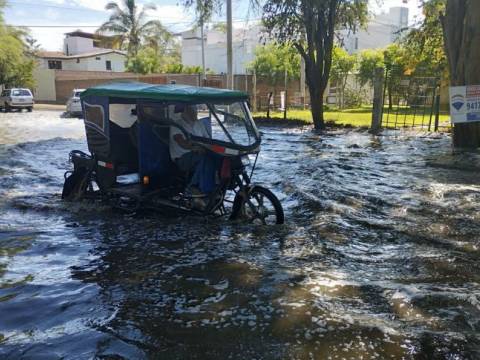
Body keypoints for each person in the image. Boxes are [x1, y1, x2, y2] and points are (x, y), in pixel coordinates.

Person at [169, 104, 211, 192]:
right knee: (205, 159)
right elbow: (181, 142)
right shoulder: (177, 125)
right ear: (185, 111)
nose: (195, 112)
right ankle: (193, 187)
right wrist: (195, 148)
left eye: (195, 110)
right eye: (193, 110)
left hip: (200, 153)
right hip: (182, 158)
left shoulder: (200, 124)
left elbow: (209, 140)